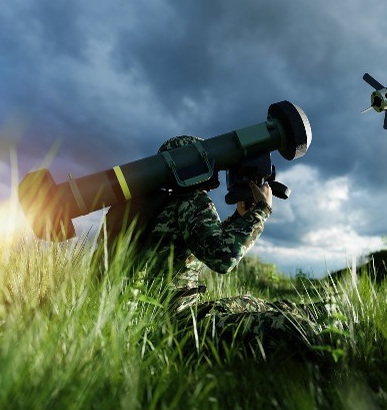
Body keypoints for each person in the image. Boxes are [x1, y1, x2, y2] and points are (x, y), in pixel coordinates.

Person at [101, 135, 335, 361]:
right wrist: (261, 211)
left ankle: (321, 313)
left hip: (142, 320)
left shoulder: (150, 205)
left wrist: (238, 218)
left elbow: (203, 242)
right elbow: (224, 258)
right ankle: (332, 340)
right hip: (176, 329)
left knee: (252, 302)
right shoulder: (192, 202)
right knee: (290, 326)